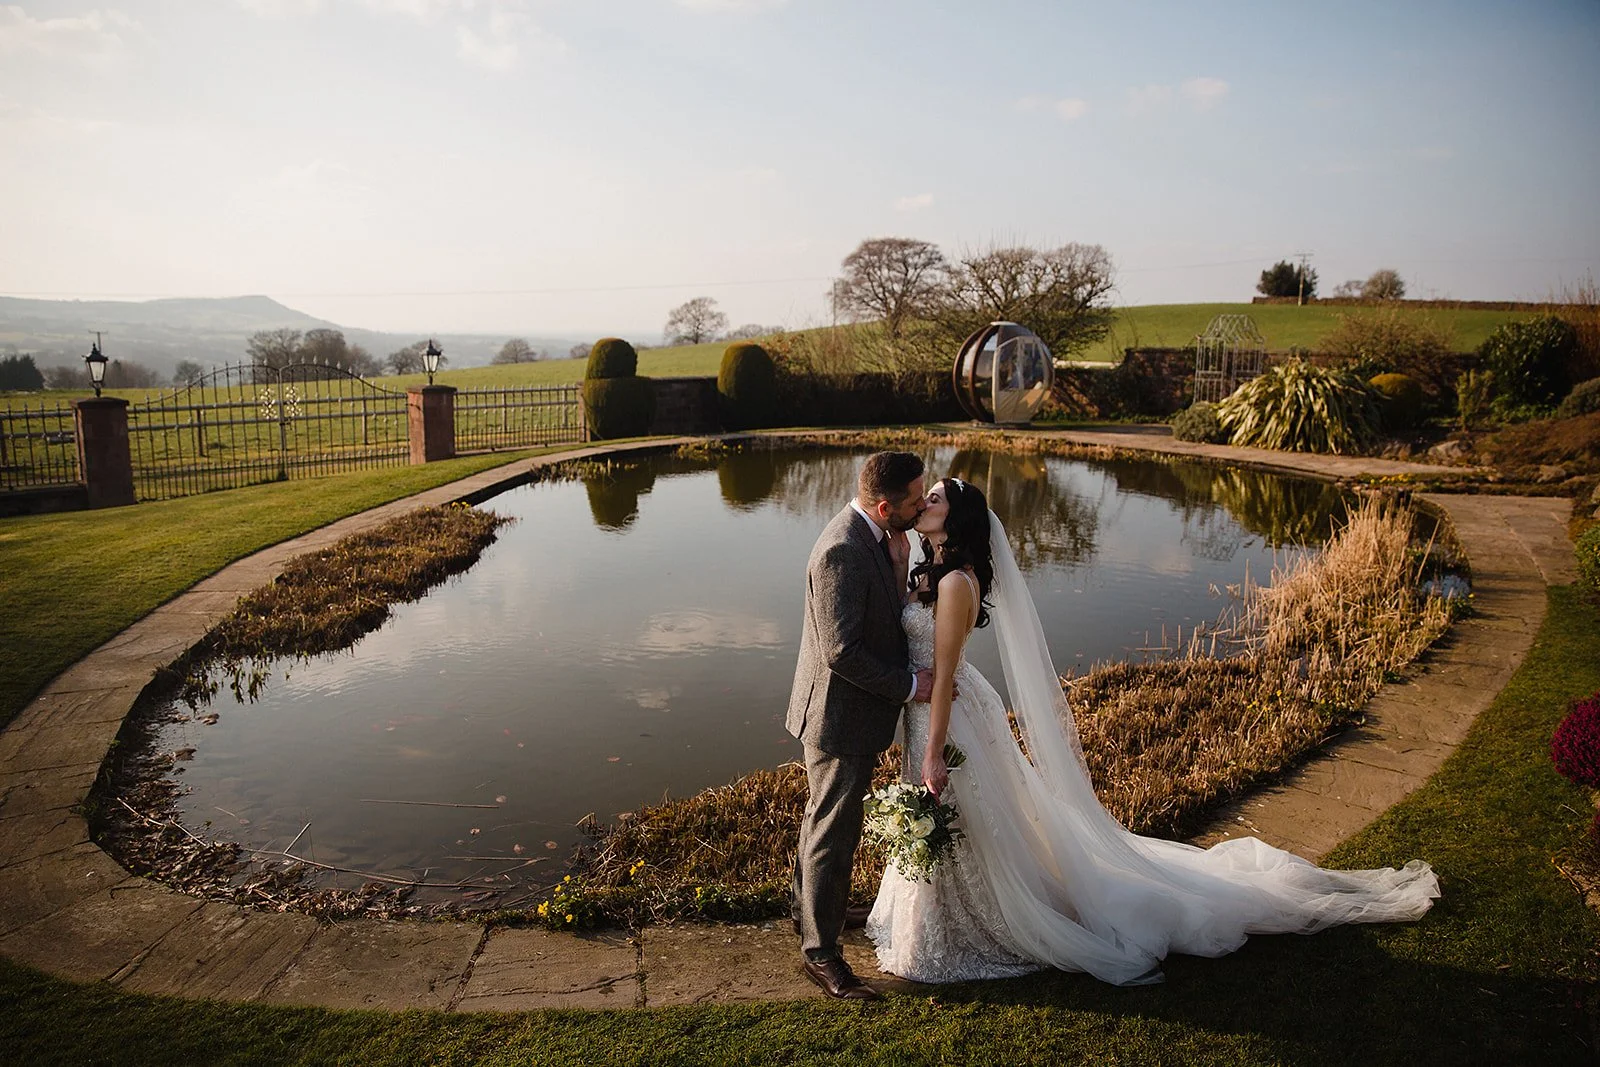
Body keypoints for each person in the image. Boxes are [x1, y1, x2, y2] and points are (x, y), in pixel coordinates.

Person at [866, 476, 1441, 986]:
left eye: (934, 498)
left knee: (956, 809)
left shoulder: (954, 585)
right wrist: (897, 564)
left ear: (956, 518)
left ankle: (964, 926)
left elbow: (943, 678)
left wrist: (936, 748)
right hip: (934, 710)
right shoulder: (932, 573)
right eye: (924, 496)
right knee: (962, 820)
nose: (924, 502)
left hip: (950, 714)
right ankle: (935, 918)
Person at [787, 451, 939, 1001]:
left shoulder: (877, 537)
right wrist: (907, 685)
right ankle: (821, 956)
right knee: (833, 833)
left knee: (822, 823)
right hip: (837, 718)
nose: (922, 505)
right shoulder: (843, 550)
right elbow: (842, 652)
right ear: (883, 505)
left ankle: (811, 912)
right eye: (915, 501)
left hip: (851, 714)